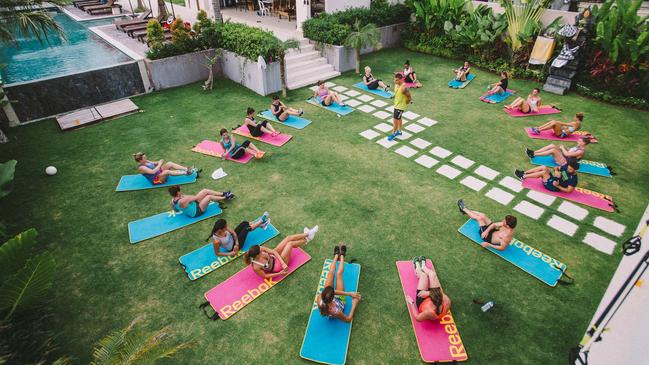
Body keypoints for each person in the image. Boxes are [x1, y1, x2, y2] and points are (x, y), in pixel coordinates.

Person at [244, 225, 319, 279]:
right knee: (290, 244)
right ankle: (307, 239)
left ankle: (308, 234)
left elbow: (273, 252)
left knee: (288, 238)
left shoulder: (258, 248)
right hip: (278, 266)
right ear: (257, 256)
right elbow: (265, 276)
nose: (261, 249)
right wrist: (280, 273)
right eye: (260, 251)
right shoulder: (256, 267)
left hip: (275, 258)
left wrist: (282, 262)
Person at [316, 245, 362, 322]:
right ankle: (342, 255)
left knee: (331, 272)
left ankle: (336, 255)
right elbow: (348, 320)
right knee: (339, 274)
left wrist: (349, 294)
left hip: (330, 300)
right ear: (333, 296)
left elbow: (333, 292)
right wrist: (354, 304)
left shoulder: (320, 298)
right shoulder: (337, 311)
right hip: (340, 301)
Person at [405, 256, 451, 321]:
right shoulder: (447, 301)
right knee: (432, 274)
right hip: (434, 295)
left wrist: (411, 303)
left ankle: (417, 266)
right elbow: (440, 293)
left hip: (422, 302)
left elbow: (417, 318)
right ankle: (424, 267)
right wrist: (428, 293)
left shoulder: (429, 312)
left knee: (423, 276)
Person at [515, 159, 580, 193]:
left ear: (575, 170)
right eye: (568, 168)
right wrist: (556, 171)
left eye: (570, 169)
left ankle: (523, 176)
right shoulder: (567, 167)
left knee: (544, 173)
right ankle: (525, 172)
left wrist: (557, 186)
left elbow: (568, 190)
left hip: (554, 187)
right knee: (544, 167)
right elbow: (556, 167)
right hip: (554, 179)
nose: (568, 170)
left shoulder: (573, 179)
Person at [168, 185, 233, 218]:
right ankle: (225, 197)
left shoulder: (172, 201)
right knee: (208, 197)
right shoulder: (183, 199)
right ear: (178, 192)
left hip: (194, 204)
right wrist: (185, 197)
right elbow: (195, 197)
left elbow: (176, 210)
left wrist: (185, 206)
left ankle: (223, 193)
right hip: (197, 211)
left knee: (205, 191)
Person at [526, 136, 591, 165]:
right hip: (565, 157)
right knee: (552, 145)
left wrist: (562, 148)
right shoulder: (579, 146)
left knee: (553, 150)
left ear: (584, 143)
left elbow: (567, 154)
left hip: (565, 162)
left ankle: (533, 155)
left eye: (579, 141)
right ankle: (534, 152)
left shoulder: (581, 151)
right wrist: (565, 148)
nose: (577, 141)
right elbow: (570, 151)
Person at [388, 73, 412, 141]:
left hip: (400, 107)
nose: (395, 81)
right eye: (394, 80)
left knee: (395, 120)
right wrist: (394, 96)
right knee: (399, 118)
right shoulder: (396, 85)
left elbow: (409, 96)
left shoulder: (403, 88)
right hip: (396, 104)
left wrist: (408, 101)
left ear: (401, 80)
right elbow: (396, 92)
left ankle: (393, 133)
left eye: (396, 80)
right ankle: (399, 131)